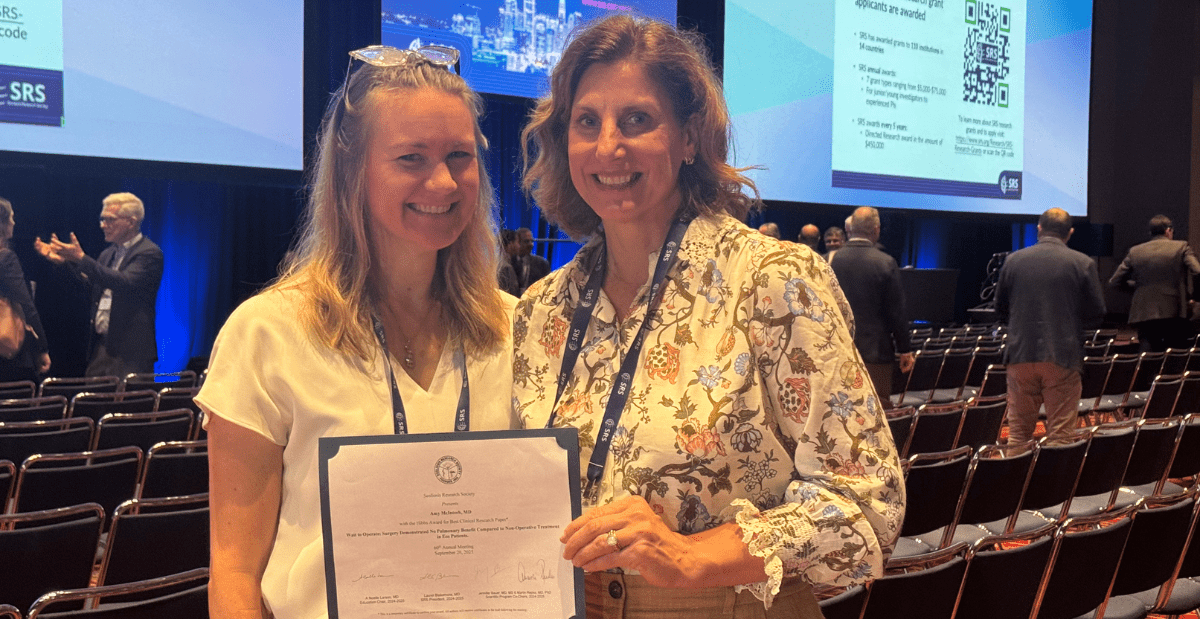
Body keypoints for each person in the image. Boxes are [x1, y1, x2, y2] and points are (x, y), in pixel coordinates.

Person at [518, 15, 903, 618]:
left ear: (690, 136)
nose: (608, 145)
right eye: (586, 121)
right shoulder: (540, 312)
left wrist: (691, 557)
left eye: (637, 120)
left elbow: (867, 506)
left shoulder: (773, 281)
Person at [198, 44, 518, 619]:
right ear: (352, 170)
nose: (442, 182)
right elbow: (234, 570)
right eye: (411, 158)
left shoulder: (517, 328)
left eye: (460, 156)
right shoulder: (267, 333)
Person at [995, 208, 1106, 445]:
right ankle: (1054, 482)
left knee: (1017, 435)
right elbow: (1097, 313)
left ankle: (1017, 482)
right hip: (1063, 356)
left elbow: (1000, 310)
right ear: (1070, 232)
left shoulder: (1013, 261)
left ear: (1039, 228)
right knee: (1061, 436)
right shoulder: (1082, 263)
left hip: (1020, 354)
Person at [35, 192, 163, 377]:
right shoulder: (108, 254)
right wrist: (65, 263)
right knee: (93, 404)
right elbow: (90, 286)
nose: (103, 225)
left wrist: (82, 259)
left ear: (132, 222)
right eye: (102, 219)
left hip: (132, 354)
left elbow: (124, 282)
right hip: (101, 348)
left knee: (127, 406)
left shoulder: (149, 253)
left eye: (110, 220)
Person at [830, 207, 914, 400]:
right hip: (876, 354)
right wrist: (904, 350)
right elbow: (897, 312)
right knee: (877, 412)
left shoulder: (832, 260)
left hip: (839, 351)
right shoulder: (886, 262)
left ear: (850, 228)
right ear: (876, 229)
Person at [1109, 214, 1200, 351]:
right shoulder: (1182, 247)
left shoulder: (1135, 251)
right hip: (1174, 309)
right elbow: (1197, 271)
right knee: (1173, 355)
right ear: (1168, 230)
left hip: (1144, 310)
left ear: (1151, 232)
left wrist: (1137, 287)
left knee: (1147, 355)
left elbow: (1114, 281)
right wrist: (1193, 297)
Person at [0, 197, 50, 381]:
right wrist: (42, 348)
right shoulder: (5, 258)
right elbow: (26, 304)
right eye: (11, 218)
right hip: (6, 350)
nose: (14, 222)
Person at [500, 226, 552, 296]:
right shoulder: (507, 263)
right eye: (526, 241)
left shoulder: (542, 263)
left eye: (532, 241)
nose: (531, 244)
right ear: (517, 242)